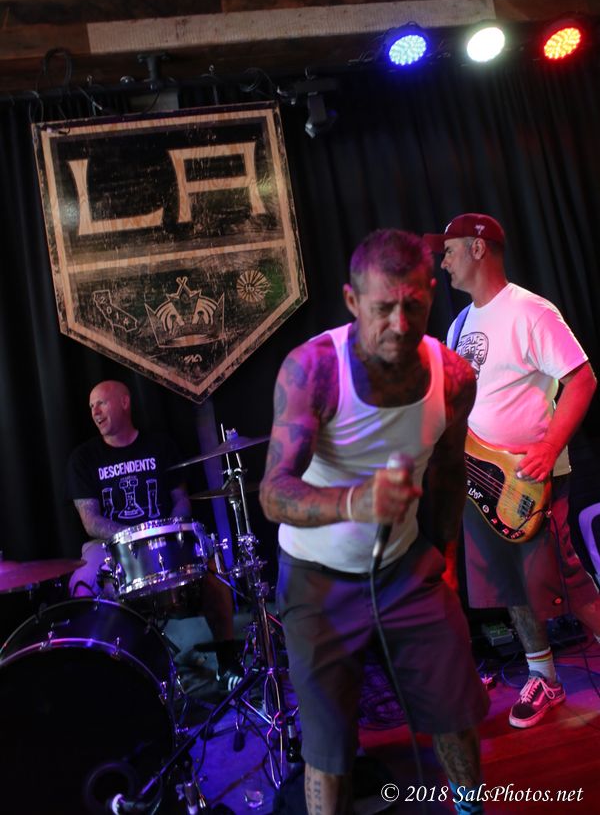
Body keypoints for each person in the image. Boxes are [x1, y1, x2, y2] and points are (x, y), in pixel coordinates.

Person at [259, 229, 490, 815]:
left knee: (455, 715)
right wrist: (355, 502)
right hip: (316, 579)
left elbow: (449, 470)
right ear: (352, 301)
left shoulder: (454, 377)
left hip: (405, 570)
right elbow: (273, 493)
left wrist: (445, 558)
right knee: (329, 750)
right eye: (383, 308)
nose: (399, 323)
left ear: (431, 293)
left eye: (413, 305)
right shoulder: (314, 368)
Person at [424, 213, 600, 730]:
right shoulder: (459, 324)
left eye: (450, 249)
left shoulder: (530, 311)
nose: (443, 261)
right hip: (480, 479)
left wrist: (548, 446)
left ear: (479, 248)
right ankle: (543, 676)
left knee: (565, 580)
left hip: (529, 477)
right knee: (507, 586)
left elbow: (583, 379)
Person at [66, 379, 241, 684]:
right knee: (81, 579)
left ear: (124, 402)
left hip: (164, 541)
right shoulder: (84, 458)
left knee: (212, 567)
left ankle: (227, 662)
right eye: (91, 406)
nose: (95, 412)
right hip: (111, 547)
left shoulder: (160, 446)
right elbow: (90, 520)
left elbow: (181, 499)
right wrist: (133, 537)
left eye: (101, 403)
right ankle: (104, 675)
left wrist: (164, 531)